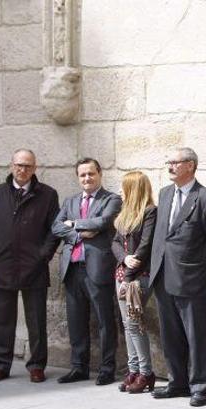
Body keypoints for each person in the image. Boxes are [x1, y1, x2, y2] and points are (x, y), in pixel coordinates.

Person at [149, 147, 206, 407]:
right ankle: (177, 382)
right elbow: (162, 235)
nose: (170, 166)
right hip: (163, 276)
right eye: (168, 162)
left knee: (196, 335)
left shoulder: (205, 199)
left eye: (176, 162)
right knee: (170, 334)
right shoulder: (164, 194)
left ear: (191, 166)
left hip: (193, 278)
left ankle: (199, 386)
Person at [0, 149, 60, 383]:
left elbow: (54, 230)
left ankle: (36, 366)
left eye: (27, 166)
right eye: (19, 165)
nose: (22, 170)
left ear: (35, 168)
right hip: (3, 265)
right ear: (11, 165)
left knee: (36, 321)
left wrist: (42, 256)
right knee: (3, 320)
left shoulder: (47, 195)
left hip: (33, 267)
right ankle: (2, 365)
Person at [51, 158, 123, 386]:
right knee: (76, 321)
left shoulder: (112, 199)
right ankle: (78, 367)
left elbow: (103, 221)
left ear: (100, 174)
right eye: (82, 175)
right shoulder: (70, 201)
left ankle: (106, 369)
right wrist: (79, 232)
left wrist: (73, 224)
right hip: (72, 269)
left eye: (91, 174)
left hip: (98, 268)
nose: (87, 178)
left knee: (104, 320)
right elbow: (56, 226)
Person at [112, 171, 158, 394]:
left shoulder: (150, 212)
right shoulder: (124, 214)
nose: (120, 191)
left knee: (134, 323)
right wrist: (123, 258)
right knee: (127, 324)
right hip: (122, 274)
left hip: (138, 277)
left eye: (124, 187)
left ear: (133, 189)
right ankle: (133, 370)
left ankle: (146, 373)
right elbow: (114, 243)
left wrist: (129, 276)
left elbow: (146, 245)